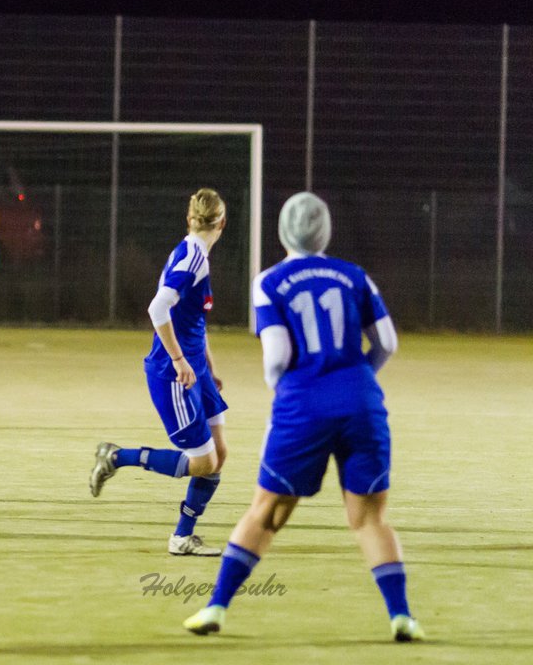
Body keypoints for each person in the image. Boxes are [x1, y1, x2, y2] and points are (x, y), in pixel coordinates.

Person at [184, 193, 424, 641]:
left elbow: (277, 358)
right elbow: (387, 342)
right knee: (370, 519)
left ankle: (215, 608)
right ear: (326, 231)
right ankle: (402, 617)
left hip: (302, 407)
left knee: (266, 513)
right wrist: (354, 379)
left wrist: (295, 390)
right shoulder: (355, 276)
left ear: (282, 232)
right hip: (361, 404)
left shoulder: (270, 282)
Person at [89, 188, 228, 557]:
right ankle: (117, 457)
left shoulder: (195, 253)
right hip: (173, 372)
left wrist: (208, 367)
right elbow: (158, 309)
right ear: (222, 223)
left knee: (219, 454)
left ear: (189, 219)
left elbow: (192, 318)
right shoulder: (193, 259)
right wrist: (181, 361)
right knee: (203, 462)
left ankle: (183, 536)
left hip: (195, 370)